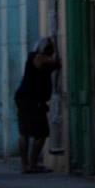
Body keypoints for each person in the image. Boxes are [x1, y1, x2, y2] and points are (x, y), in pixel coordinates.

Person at [15, 37, 61, 173]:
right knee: (28, 133)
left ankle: (31, 164)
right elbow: (48, 61)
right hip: (29, 100)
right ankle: (27, 165)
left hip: (35, 101)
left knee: (39, 133)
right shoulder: (35, 57)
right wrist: (56, 60)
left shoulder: (42, 62)